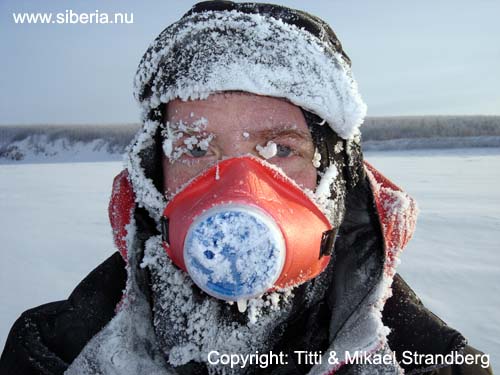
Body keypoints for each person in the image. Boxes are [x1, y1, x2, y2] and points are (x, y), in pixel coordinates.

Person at [0, 1, 493, 374]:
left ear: (334, 179)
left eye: (280, 150)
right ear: (153, 180)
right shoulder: (51, 352)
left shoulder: (430, 361)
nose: (238, 191)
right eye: (196, 150)